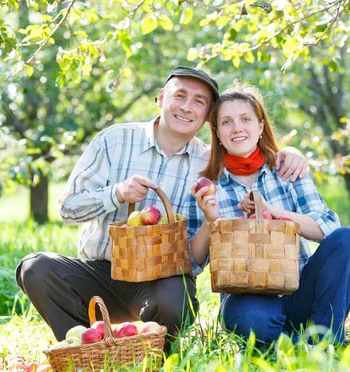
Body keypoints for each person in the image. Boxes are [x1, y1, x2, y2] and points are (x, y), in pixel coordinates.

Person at [15, 67, 308, 352]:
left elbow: (254, 158)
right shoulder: (114, 140)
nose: (186, 107)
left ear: (207, 117)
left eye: (199, 102)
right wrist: (116, 193)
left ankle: (157, 357)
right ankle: (88, 349)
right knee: (35, 268)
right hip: (99, 273)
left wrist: (290, 154)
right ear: (160, 98)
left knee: (175, 299)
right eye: (179, 95)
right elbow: (67, 209)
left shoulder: (210, 164)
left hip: (163, 282)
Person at [188, 84, 350, 348]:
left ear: (260, 127)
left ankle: (323, 339)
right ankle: (299, 344)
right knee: (250, 317)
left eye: (245, 119)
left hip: (298, 288)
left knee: (348, 240)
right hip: (248, 296)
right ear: (217, 132)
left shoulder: (286, 169)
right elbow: (192, 261)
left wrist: (274, 212)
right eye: (227, 122)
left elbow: (326, 229)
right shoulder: (208, 186)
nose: (237, 128)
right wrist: (211, 221)